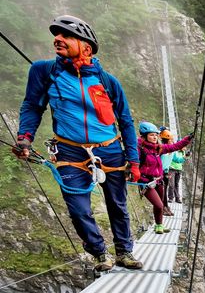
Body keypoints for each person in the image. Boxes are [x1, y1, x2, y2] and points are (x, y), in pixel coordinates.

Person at [14, 14, 143, 271]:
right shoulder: (44, 71)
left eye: (66, 36)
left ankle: (124, 252)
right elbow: (32, 106)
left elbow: (126, 121)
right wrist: (24, 137)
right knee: (78, 209)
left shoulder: (108, 81)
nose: (57, 40)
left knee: (117, 205)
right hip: (69, 150)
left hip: (110, 149)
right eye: (57, 35)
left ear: (86, 45)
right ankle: (99, 253)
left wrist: (134, 159)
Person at [137, 122, 191, 234]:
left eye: (156, 135)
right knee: (159, 204)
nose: (155, 137)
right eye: (151, 135)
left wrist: (188, 139)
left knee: (160, 204)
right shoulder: (139, 149)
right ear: (144, 136)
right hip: (146, 182)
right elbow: (132, 161)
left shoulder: (158, 148)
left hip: (158, 180)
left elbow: (175, 146)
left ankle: (159, 225)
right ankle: (159, 225)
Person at [158, 128, 174, 215]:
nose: (172, 142)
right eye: (170, 140)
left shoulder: (171, 151)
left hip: (166, 172)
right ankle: (163, 207)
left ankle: (165, 206)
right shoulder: (162, 149)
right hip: (160, 173)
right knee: (162, 191)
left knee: (165, 190)